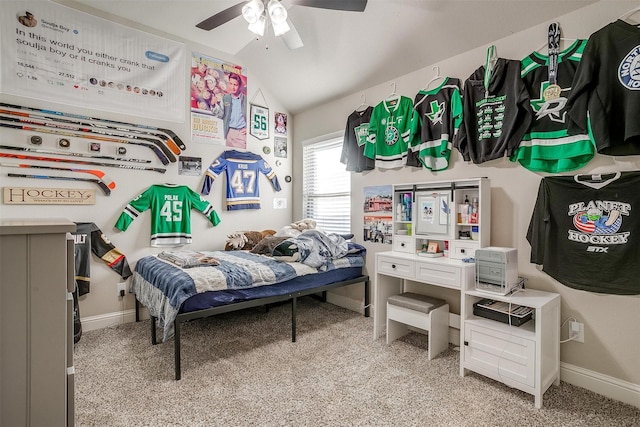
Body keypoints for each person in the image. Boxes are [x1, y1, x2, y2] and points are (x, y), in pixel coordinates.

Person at [222, 73, 247, 148]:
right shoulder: (225, 98)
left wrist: (249, 128)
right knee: (228, 156)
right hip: (229, 132)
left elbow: (252, 115)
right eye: (231, 84)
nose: (232, 87)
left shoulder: (245, 99)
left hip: (241, 133)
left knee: (240, 156)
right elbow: (221, 114)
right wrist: (213, 104)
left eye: (235, 85)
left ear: (239, 86)